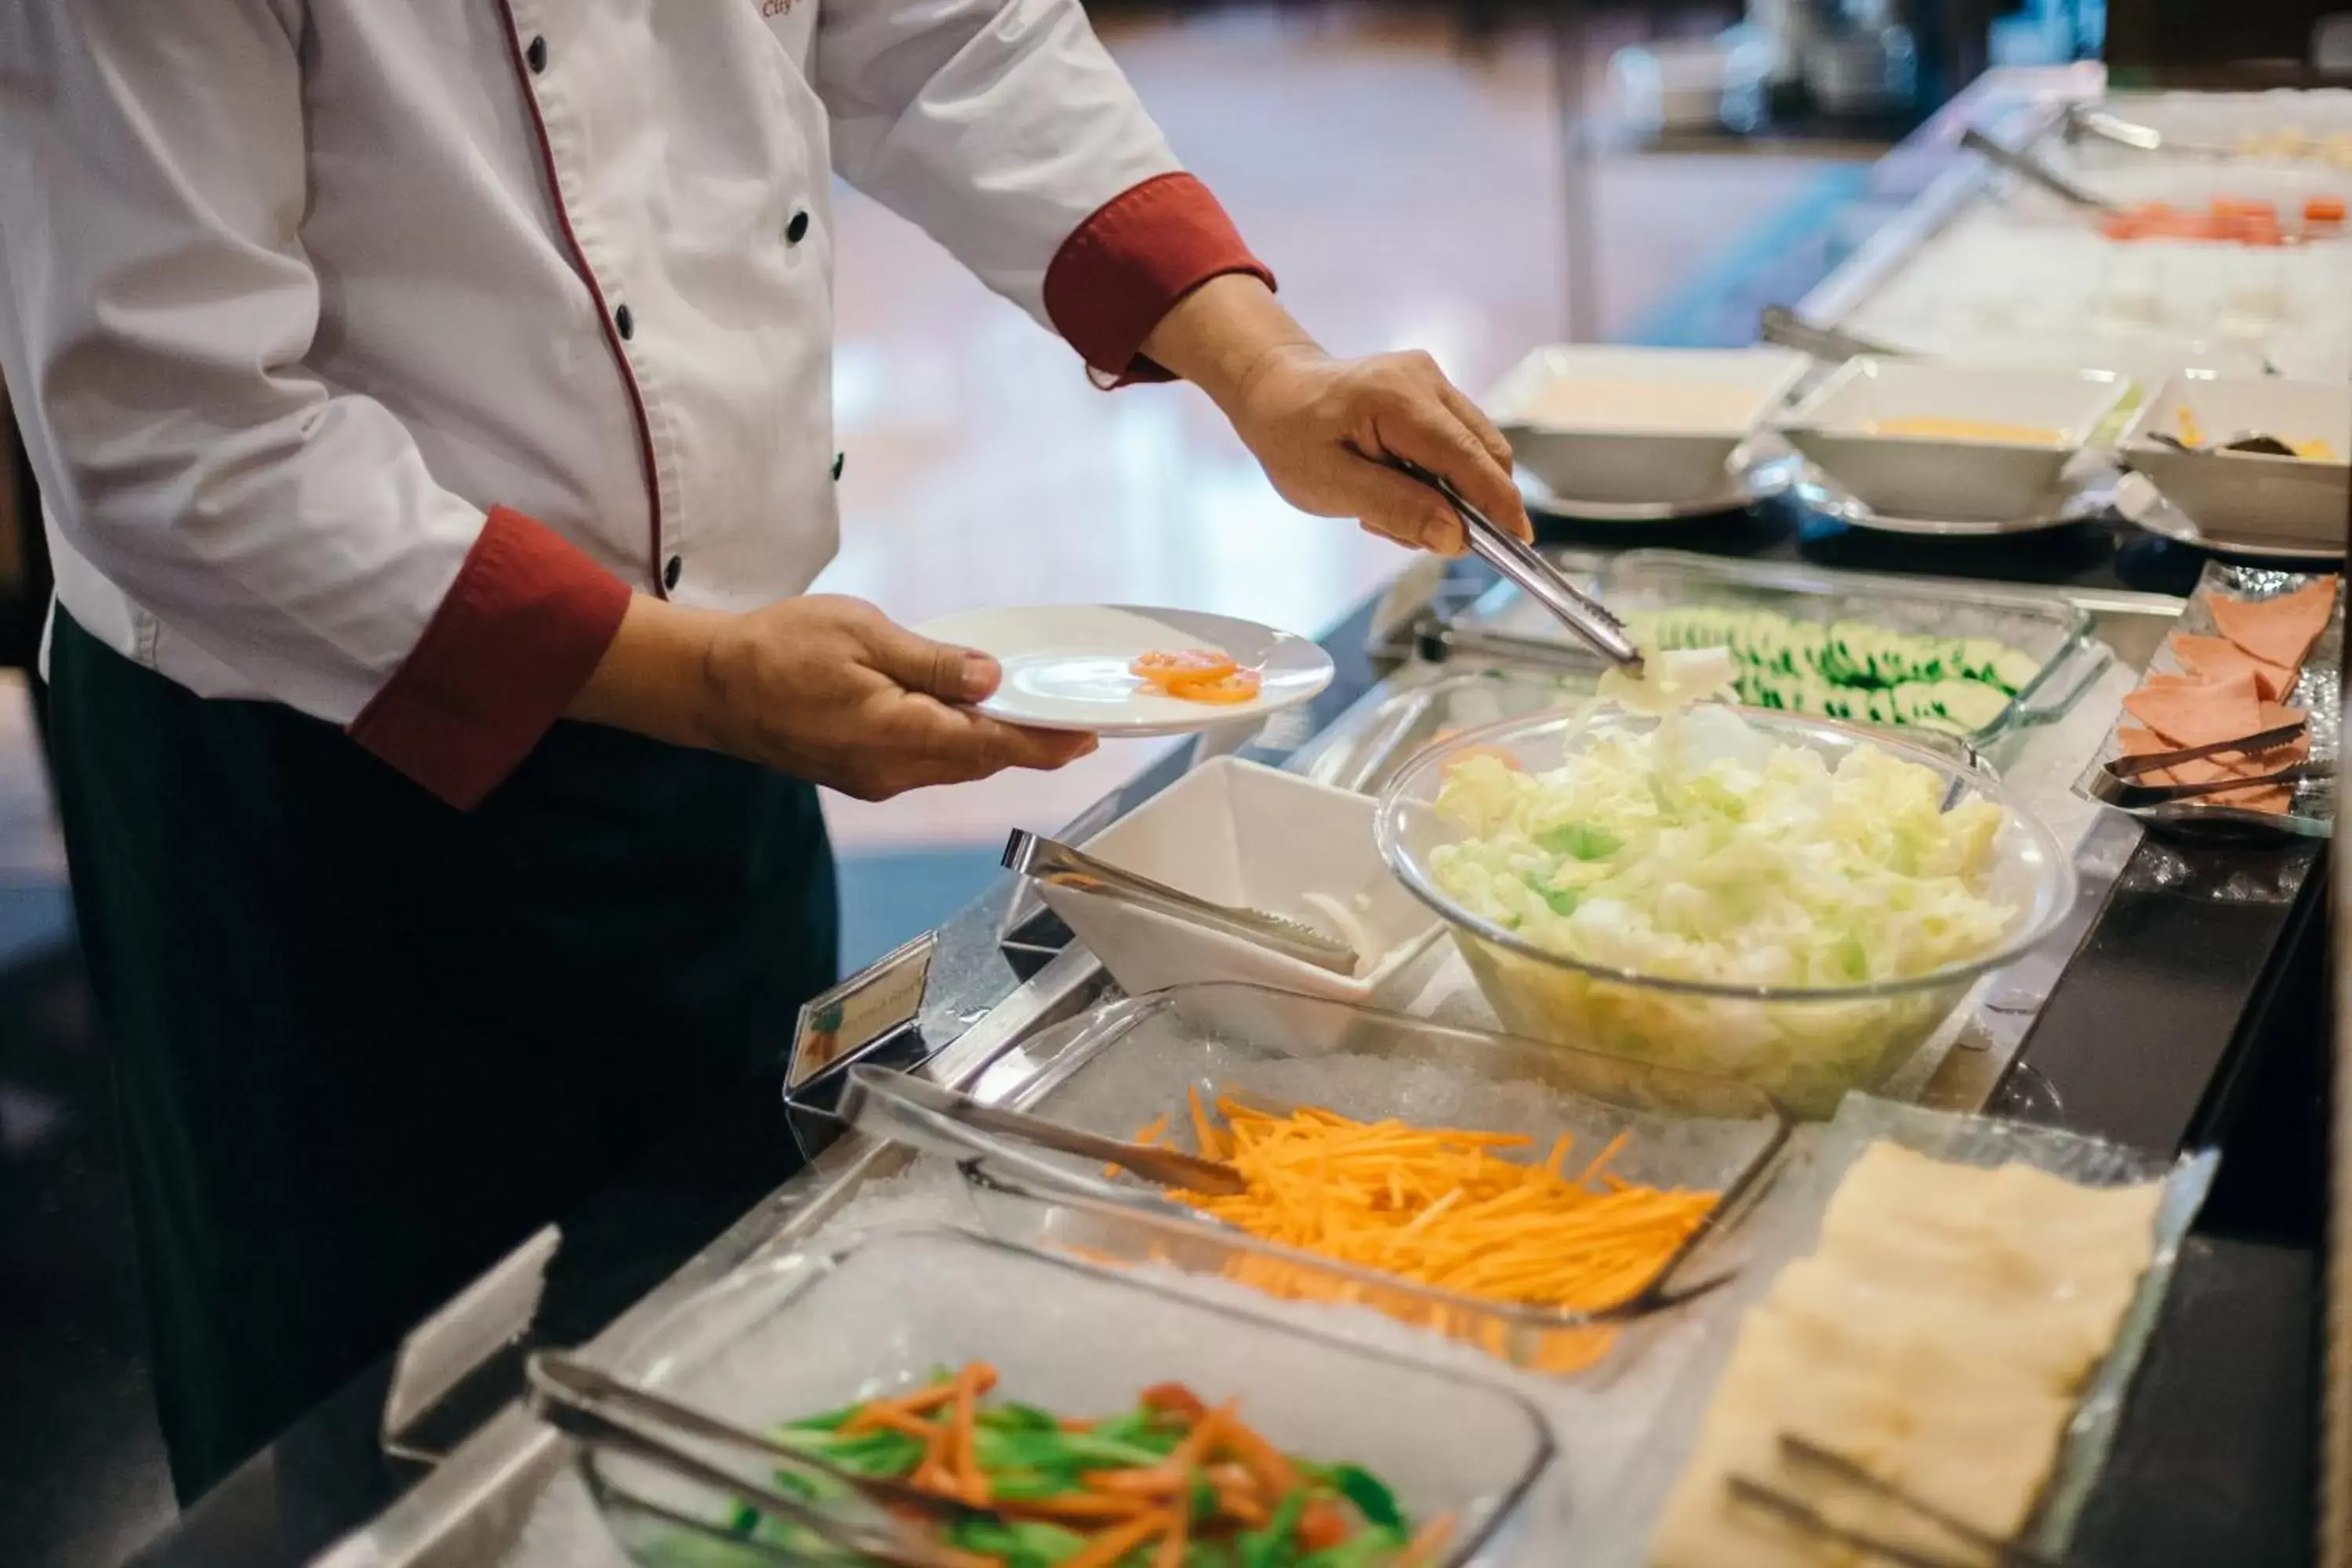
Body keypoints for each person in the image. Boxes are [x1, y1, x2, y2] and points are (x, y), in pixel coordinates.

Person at [0, 2, 1531, 1501]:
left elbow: (951, 34)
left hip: (727, 710)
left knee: (738, 1341)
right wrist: (706, 678)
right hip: (328, 781)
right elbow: (173, 433)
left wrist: (1261, 362)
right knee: (381, 1435)